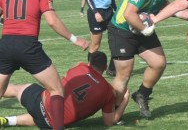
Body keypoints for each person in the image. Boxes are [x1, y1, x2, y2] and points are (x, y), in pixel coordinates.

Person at [0, 0, 89, 130]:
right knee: (56, 90)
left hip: (6, 45)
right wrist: (75, 39)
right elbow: (52, 21)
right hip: (27, 46)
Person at [0, 51, 129, 128]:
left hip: (41, 103)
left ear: (89, 63)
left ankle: (7, 119)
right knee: (44, 118)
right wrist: (124, 101)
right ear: (106, 67)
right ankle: (8, 121)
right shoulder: (108, 91)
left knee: (18, 90)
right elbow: (109, 122)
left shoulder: (81, 67)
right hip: (52, 124)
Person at [85, 0, 117, 77]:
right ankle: (89, 72)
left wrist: (116, 9)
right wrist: (96, 13)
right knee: (95, 44)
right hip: (96, 13)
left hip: (109, 12)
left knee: (116, 40)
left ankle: (112, 69)